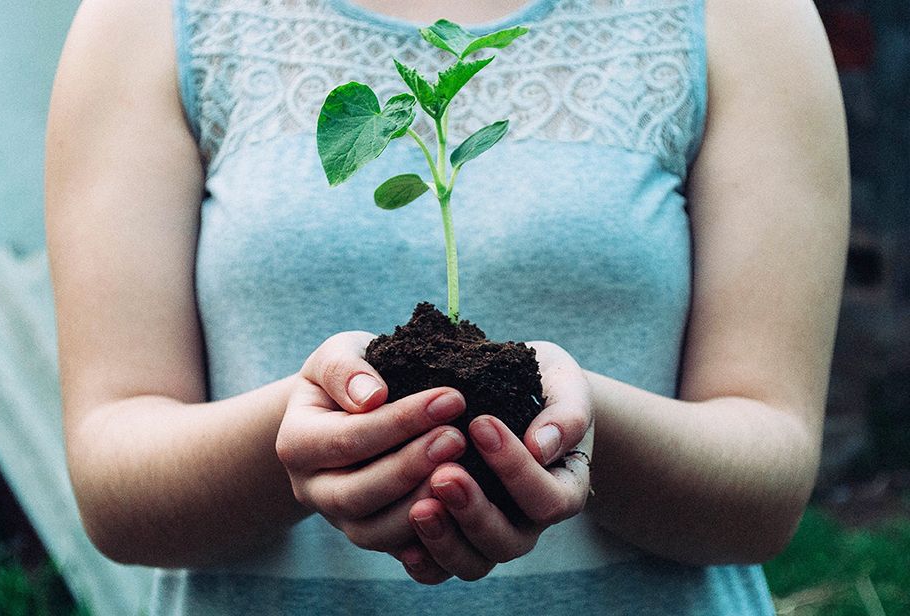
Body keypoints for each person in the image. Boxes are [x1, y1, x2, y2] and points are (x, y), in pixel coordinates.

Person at [44, 0, 849, 612]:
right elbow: (115, 489)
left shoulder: (746, 17)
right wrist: (297, 442)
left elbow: (767, 487)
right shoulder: (149, 18)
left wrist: (585, 424)